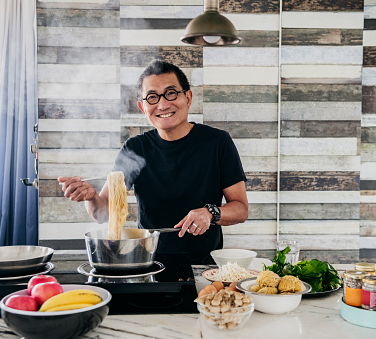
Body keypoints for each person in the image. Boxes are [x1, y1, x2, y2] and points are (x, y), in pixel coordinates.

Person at [58, 59, 248, 264]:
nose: (163, 104)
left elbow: (240, 209)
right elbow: (102, 213)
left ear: (188, 97)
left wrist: (211, 212)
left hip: (204, 266)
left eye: (171, 93)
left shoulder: (217, 142)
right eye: (152, 97)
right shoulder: (135, 149)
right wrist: (91, 197)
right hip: (147, 261)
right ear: (142, 107)